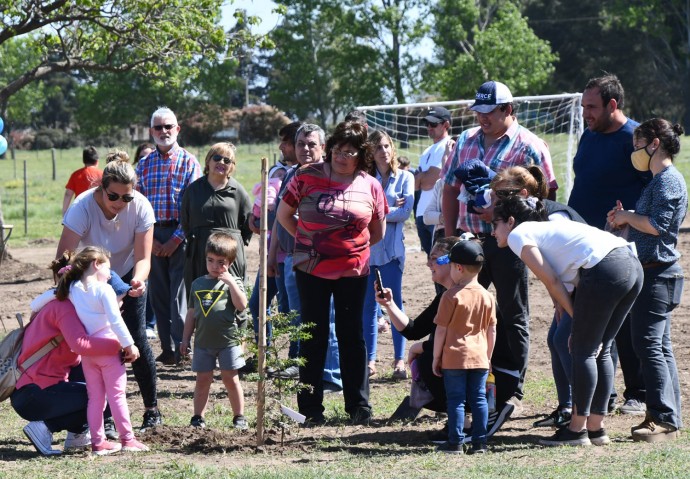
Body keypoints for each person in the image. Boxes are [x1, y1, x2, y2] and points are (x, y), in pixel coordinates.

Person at [442, 80, 558, 423]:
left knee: (513, 315)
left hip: (511, 243)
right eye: (478, 112)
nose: (482, 118)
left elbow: (547, 194)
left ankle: (512, 390)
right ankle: (464, 390)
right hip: (468, 239)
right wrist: (451, 238)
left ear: (508, 109)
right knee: (460, 312)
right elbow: (450, 188)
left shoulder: (531, 146)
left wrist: (527, 230)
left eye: (488, 112)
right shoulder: (464, 140)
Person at [492, 196, 643, 446]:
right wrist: (571, 311)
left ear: (510, 221)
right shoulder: (546, 229)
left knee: (582, 349)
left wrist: (576, 317)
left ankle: (576, 430)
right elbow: (563, 279)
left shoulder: (519, 234)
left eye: (494, 224)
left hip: (606, 268)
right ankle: (596, 428)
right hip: (631, 265)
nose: (492, 231)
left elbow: (551, 280)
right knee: (601, 350)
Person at [277, 121, 387, 425]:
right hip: (311, 268)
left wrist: (349, 247)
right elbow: (284, 214)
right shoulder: (305, 176)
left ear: (359, 155)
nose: (342, 157)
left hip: (353, 269)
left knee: (352, 335)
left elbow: (377, 231)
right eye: (338, 150)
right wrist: (310, 240)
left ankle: (358, 405)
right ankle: (311, 408)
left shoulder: (370, 184)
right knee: (313, 335)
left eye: (349, 152)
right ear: (330, 150)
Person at [56, 159, 162, 431]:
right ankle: (104, 417)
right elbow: (63, 261)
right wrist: (69, 294)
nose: (119, 202)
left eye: (126, 196)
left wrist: (138, 280)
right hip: (88, 276)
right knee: (93, 342)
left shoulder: (140, 207)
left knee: (135, 337)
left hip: (127, 275)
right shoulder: (82, 206)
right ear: (101, 188)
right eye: (113, 195)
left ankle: (152, 410)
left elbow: (143, 258)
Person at [568, 74, 649, 416]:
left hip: (619, 249)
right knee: (592, 321)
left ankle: (639, 392)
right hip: (585, 245)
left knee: (627, 321)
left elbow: (653, 191)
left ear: (612, 105)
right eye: (584, 105)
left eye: (592, 106)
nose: (585, 112)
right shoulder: (589, 135)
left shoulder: (635, 139)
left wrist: (629, 226)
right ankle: (605, 393)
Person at [607, 118, 687, 442]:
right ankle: (669, 416)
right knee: (659, 347)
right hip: (654, 273)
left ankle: (662, 418)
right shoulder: (658, 181)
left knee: (648, 346)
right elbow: (647, 227)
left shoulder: (667, 181)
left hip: (658, 275)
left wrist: (628, 217)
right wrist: (623, 222)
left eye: (638, 144)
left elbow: (658, 226)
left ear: (654, 143)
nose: (635, 151)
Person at [489, 165, 585, 428]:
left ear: (520, 194)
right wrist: (559, 303)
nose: (494, 203)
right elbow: (552, 273)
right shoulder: (528, 221)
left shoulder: (551, 217)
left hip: (592, 282)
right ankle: (568, 407)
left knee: (569, 339)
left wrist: (573, 312)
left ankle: (584, 411)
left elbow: (566, 263)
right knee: (557, 339)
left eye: (499, 196)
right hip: (575, 284)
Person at [269, 124, 341, 391]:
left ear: (323, 147)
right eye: (301, 144)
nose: (306, 149)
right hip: (291, 256)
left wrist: (307, 233)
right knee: (301, 318)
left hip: (323, 258)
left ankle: (331, 375)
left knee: (327, 318)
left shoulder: (330, 175)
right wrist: (271, 256)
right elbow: (279, 217)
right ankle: (307, 372)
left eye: (312, 144)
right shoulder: (291, 175)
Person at [58, 246, 149, 455]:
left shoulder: (72, 289)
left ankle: (98, 442)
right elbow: (116, 321)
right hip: (109, 348)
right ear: (96, 264)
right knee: (117, 395)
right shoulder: (104, 289)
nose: (110, 275)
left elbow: (44, 300)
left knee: (95, 398)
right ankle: (128, 439)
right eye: (109, 269)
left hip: (89, 352)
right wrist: (130, 345)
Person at [10, 298, 125, 456]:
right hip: (34, 394)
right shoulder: (65, 308)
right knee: (104, 395)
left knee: (98, 386)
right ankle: (46, 427)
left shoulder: (60, 305)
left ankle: (77, 434)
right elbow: (81, 344)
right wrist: (122, 345)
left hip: (31, 392)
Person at [136, 107, 201, 366]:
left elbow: (193, 207)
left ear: (178, 129)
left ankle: (183, 348)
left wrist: (175, 238)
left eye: (168, 127)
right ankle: (167, 349)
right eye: (158, 127)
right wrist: (149, 241)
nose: (164, 132)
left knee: (179, 297)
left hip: (180, 235)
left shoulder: (189, 162)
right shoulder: (143, 165)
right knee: (158, 297)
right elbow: (136, 206)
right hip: (151, 234)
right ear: (151, 131)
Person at [180, 232, 249, 430]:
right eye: (210, 261)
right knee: (203, 379)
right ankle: (197, 417)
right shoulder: (198, 284)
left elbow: (242, 305)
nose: (215, 266)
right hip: (203, 342)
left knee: (230, 378)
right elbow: (191, 314)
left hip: (228, 342)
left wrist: (230, 283)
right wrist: (185, 339)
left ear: (231, 262)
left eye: (221, 262)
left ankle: (239, 416)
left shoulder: (233, 282)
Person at [432, 239, 496, 455]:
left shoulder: (450, 296)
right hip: (479, 357)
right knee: (479, 399)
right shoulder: (488, 297)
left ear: (458, 268)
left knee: (456, 400)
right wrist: (488, 357)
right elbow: (491, 331)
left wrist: (435, 357)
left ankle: (455, 442)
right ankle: (480, 442)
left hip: (454, 357)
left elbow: (441, 330)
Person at [361, 129, 414, 379]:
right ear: (369, 152)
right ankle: (370, 362)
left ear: (392, 148)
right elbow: (360, 214)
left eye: (385, 146)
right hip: (367, 253)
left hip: (393, 253)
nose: (382, 151)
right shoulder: (362, 179)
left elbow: (404, 214)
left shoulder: (405, 178)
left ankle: (399, 361)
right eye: (377, 147)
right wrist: (388, 209)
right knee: (368, 307)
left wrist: (377, 212)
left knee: (394, 304)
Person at [180, 142, 252, 289]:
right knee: (198, 298)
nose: (221, 162)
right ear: (208, 160)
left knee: (231, 297)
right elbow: (185, 220)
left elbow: (247, 224)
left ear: (232, 166)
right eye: (217, 158)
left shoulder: (238, 190)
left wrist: (232, 244)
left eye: (227, 160)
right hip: (199, 252)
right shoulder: (193, 189)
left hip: (229, 254)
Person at [415, 106, 451, 256]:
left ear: (446, 125)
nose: (429, 127)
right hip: (421, 214)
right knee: (432, 263)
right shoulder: (427, 150)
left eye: (433, 124)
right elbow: (416, 184)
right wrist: (422, 177)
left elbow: (429, 181)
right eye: (427, 124)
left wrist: (421, 177)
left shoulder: (449, 145)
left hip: (437, 216)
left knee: (442, 262)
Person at [62, 146, 102, 215]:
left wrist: (65, 212)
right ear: (97, 161)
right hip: (99, 211)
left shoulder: (76, 175)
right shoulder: (103, 174)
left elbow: (68, 194)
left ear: (84, 160)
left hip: (80, 211)